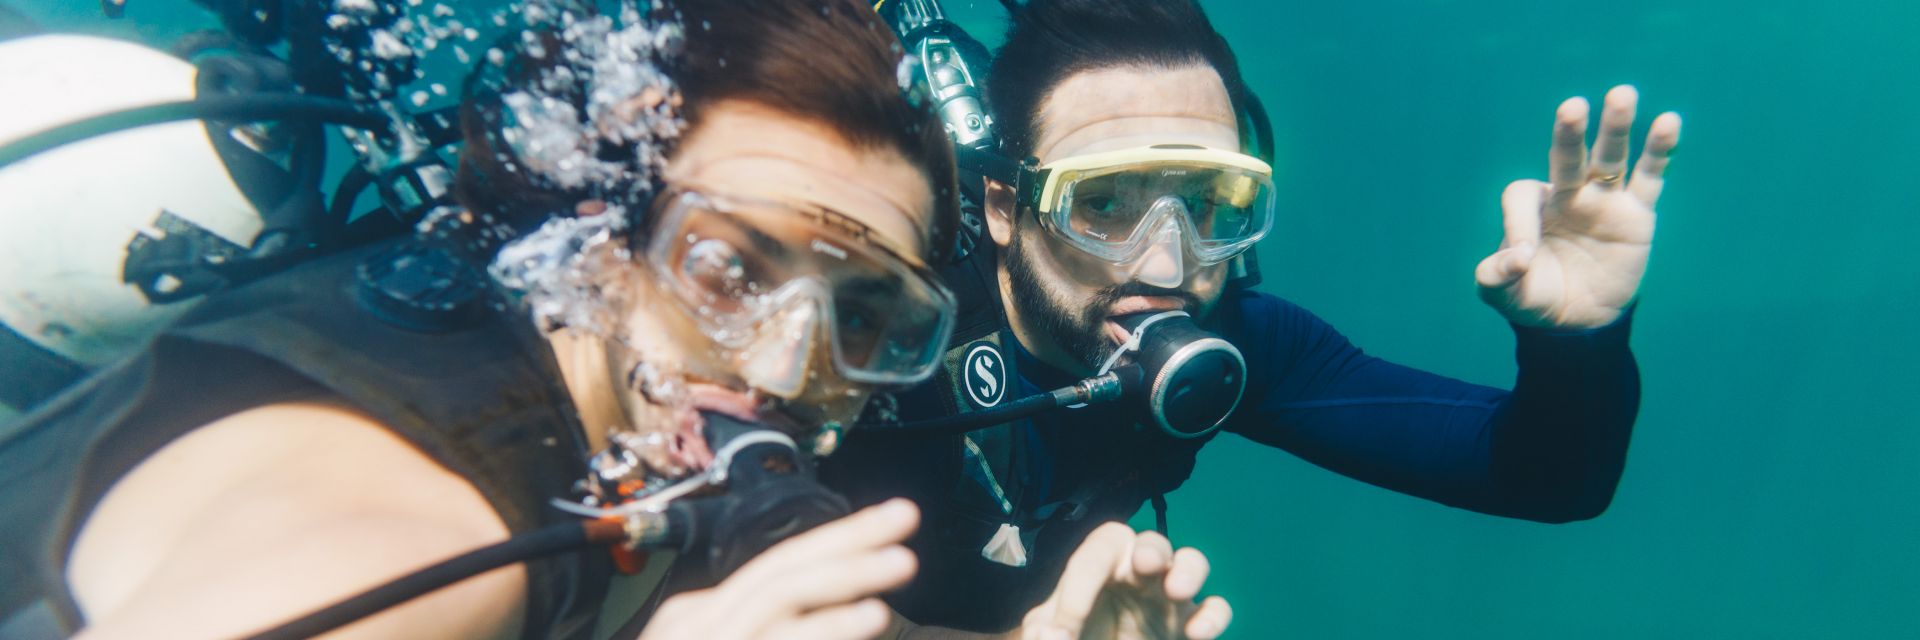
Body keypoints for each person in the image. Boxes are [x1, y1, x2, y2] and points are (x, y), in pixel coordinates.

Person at [0, 1, 1228, 639]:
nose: (791, 364)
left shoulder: (657, 443)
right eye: (730, 271)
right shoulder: (423, 527)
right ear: (603, 244)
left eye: (874, 317)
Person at [822, 0, 1685, 631]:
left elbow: (1549, 478)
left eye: (1213, 203)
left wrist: (1579, 343)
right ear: (1006, 209)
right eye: (1105, 204)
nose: (1167, 263)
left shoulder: (1238, 340)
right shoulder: (875, 335)